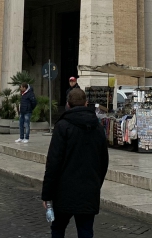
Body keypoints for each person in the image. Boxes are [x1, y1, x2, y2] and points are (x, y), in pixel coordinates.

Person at [41, 87, 109, 238]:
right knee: (86, 231)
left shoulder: (62, 126)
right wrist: (96, 184)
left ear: (68, 105)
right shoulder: (98, 127)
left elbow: (53, 162)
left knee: (58, 229)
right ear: (86, 104)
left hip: (63, 192)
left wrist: (47, 194)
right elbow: (104, 161)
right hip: (89, 190)